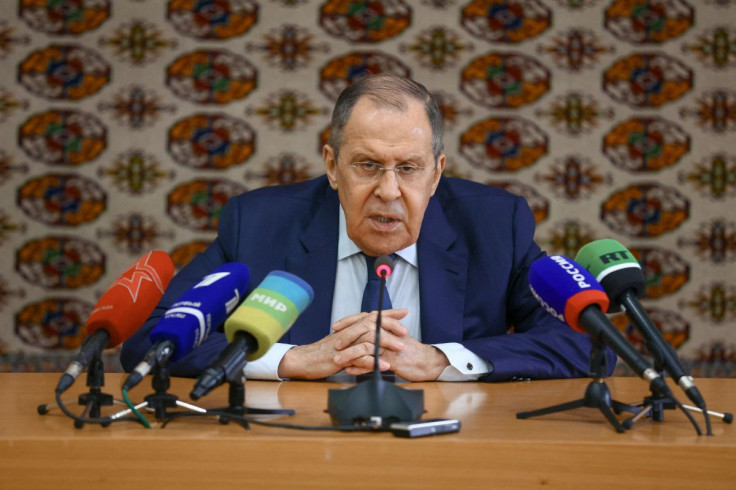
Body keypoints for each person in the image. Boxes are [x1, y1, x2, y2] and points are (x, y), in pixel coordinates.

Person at [121, 73, 613, 382]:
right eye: (367, 165)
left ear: (438, 172)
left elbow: (590, 342)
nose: (389, 191)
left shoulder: (494, 223)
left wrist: (443, 360)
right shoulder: (259, 224)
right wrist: (291, 361)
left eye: (409, 168)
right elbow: (152, 341)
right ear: (332, 166)